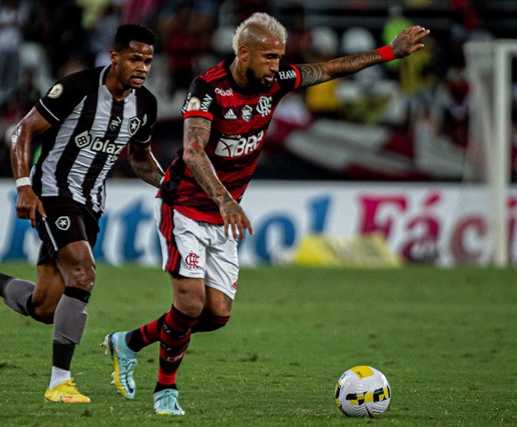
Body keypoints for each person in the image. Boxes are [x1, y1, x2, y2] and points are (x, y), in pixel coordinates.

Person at [102, 12, 429, 416]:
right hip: (185, 205)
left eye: (280, 57)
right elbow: (192, 150)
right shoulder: (207, 89)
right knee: (188, 305)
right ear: (244, 53)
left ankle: (127, 342)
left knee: (217, 314)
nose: (277, 66)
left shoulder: (275, 84)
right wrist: (224, 200)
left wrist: (387, 53)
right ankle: (165, 392)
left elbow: (328, 68)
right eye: (270, 57)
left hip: (223, 215)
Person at [0, 24, 163, 404]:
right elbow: (20, 132)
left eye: (149, 61)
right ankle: (60, 382)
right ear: (115, 56)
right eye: (135, 58)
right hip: (53, 192)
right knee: (83, 273)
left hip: (91, 203)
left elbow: (139, 158)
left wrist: (171, 184)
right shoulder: (75, 88)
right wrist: (24, 186)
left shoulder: (146, 105)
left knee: (45, 307)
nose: (142, 67)